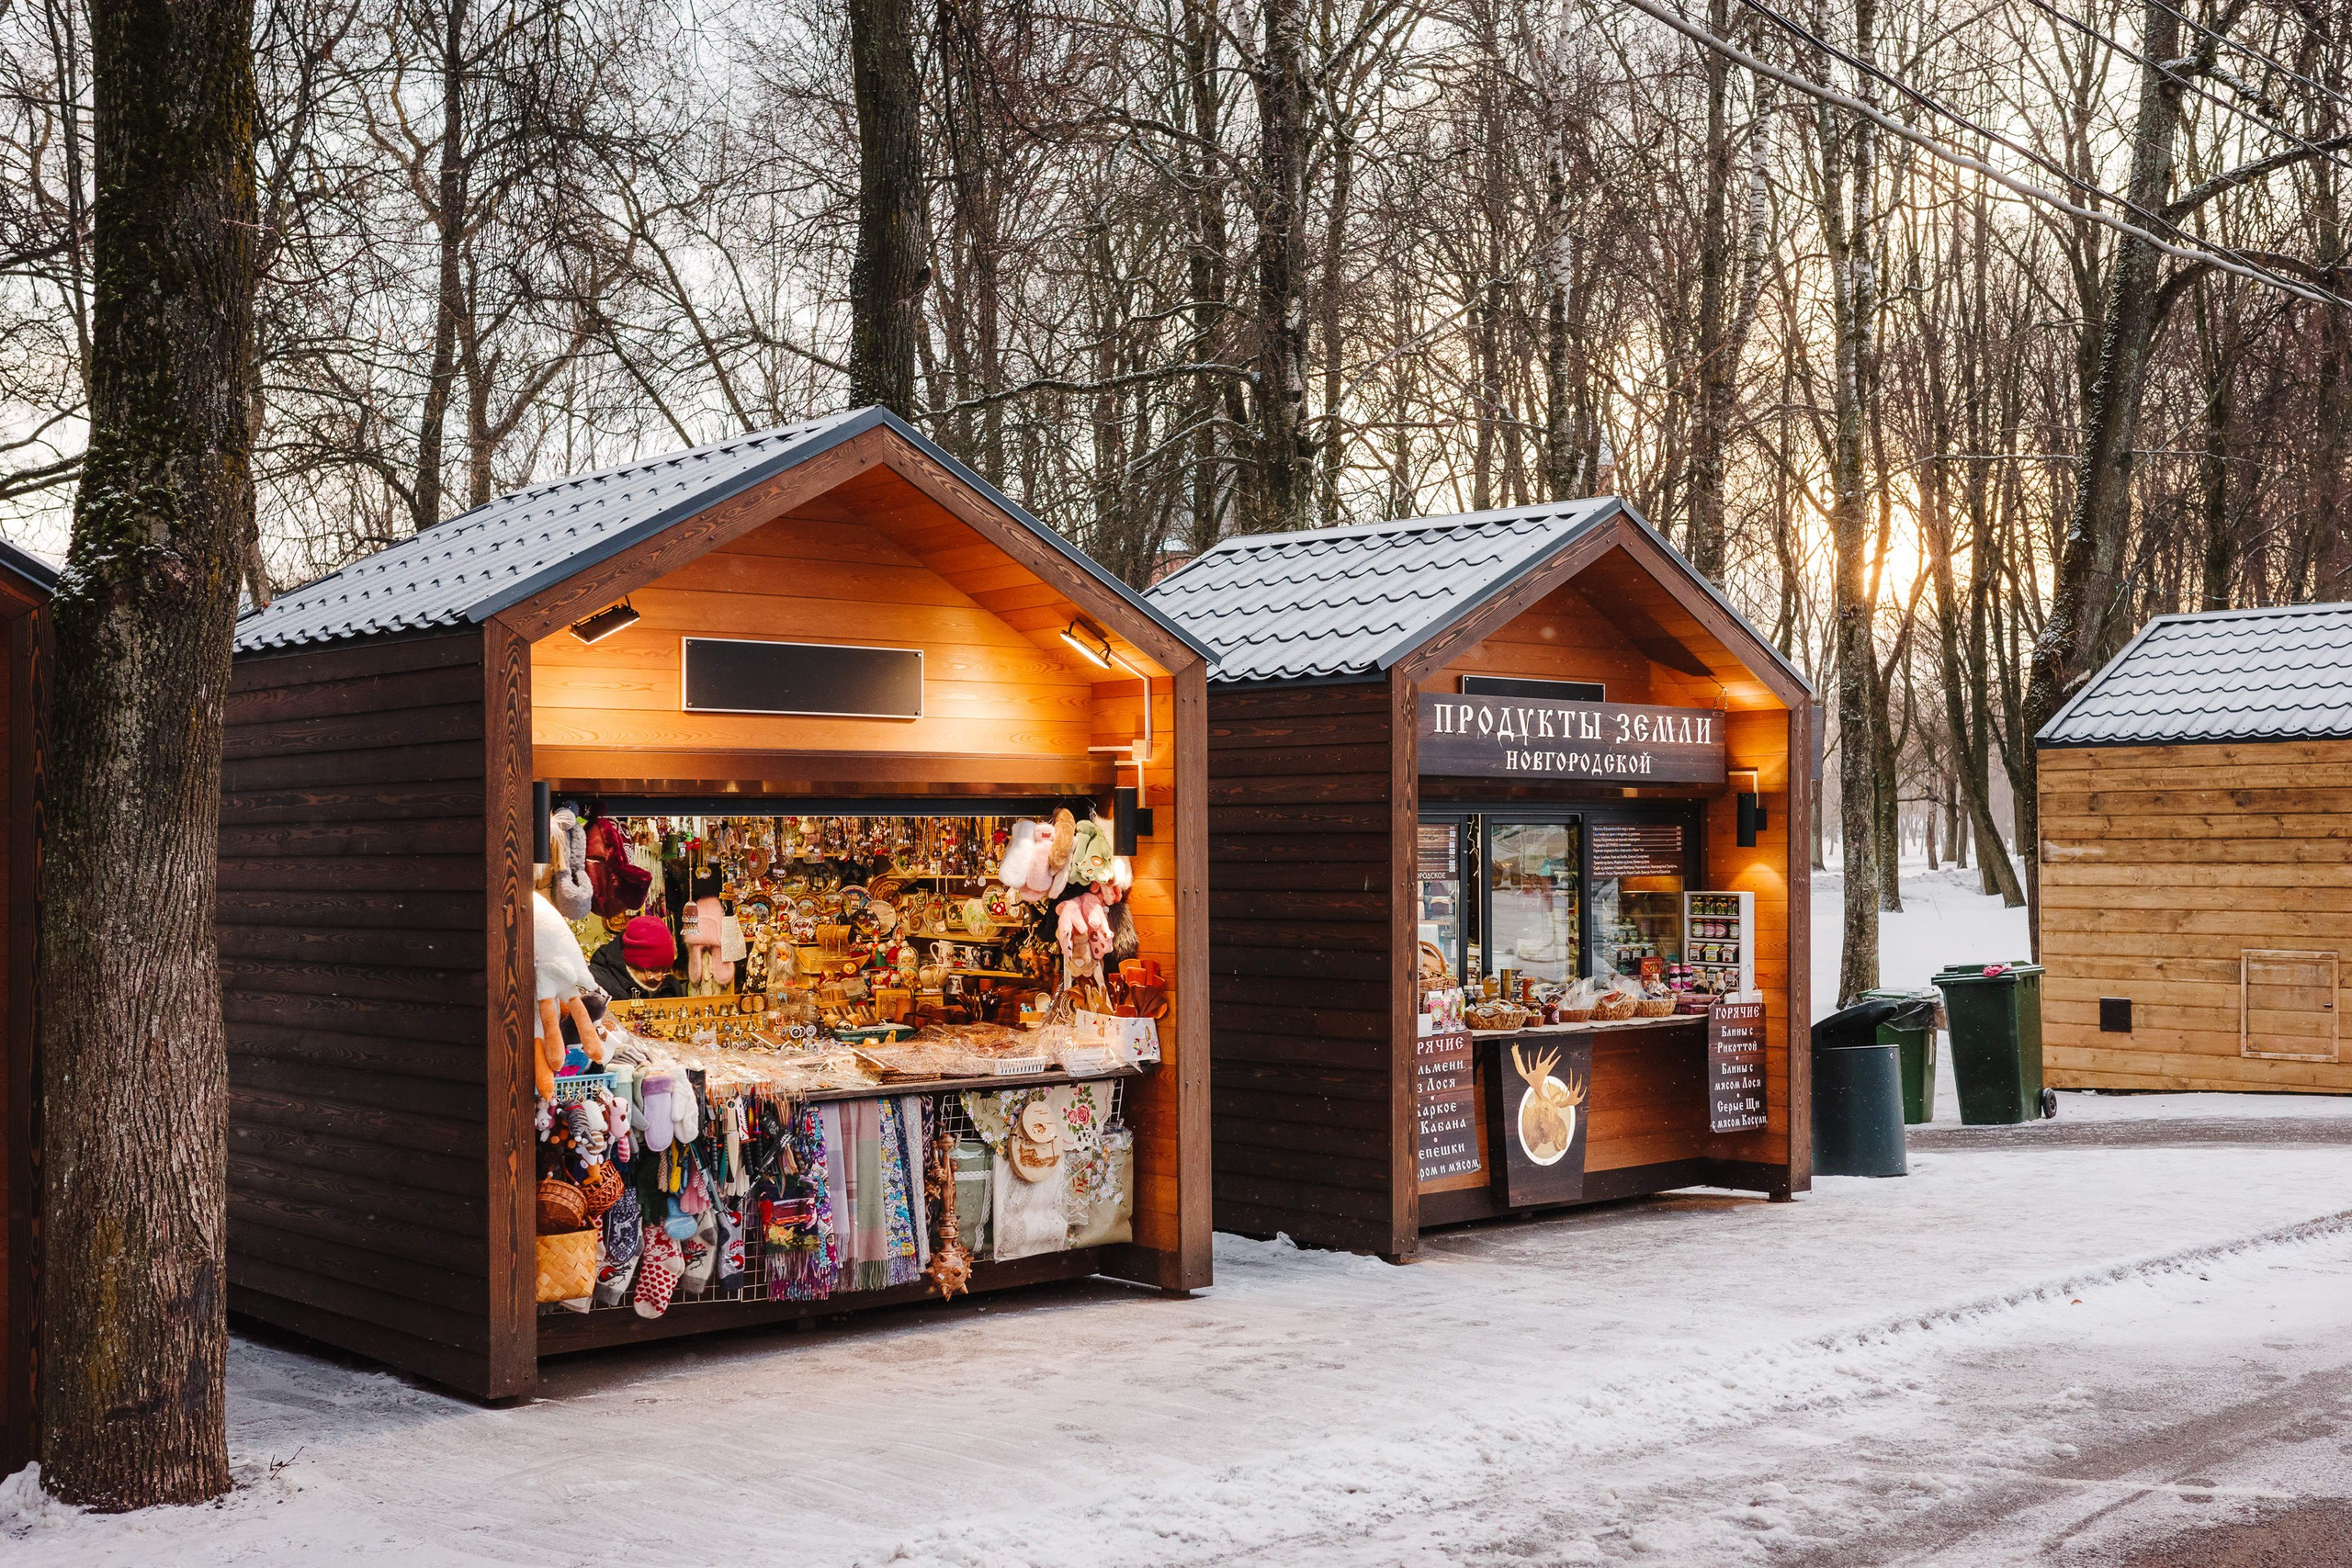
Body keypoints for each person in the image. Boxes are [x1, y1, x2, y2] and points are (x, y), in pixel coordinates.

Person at [593, 914, 687, 1002]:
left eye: (665, 970)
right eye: (652, 971)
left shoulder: (670, 985)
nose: (659, 978)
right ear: (630, 965)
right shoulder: (599, 987)